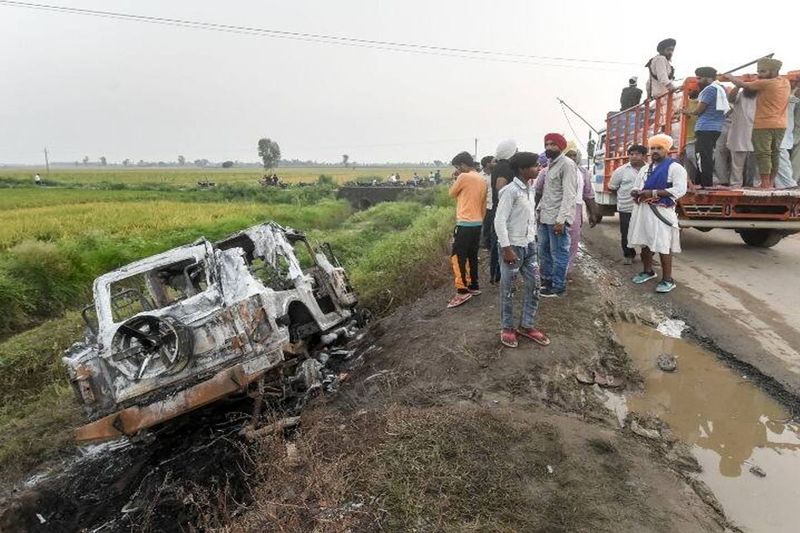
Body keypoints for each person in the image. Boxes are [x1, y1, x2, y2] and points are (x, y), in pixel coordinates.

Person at [494, 152, 550, 348]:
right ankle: (507, 328)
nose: (538, 168)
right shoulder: (510, 191)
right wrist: (507, 248)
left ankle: (527, 325)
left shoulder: (530, 189)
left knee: (535, 284)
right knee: (508, 289)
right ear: (522, 169)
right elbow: (499, 221)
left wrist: (533, 238)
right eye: (534, 166)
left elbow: (529, 218)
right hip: (513, 247)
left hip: (529, 245)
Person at [628, 134, 688, 293]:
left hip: (662, 211)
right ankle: (648, 271)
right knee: (645, 242)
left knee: (663, 245)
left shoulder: (675, 167)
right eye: (652, 148)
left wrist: (653, 193)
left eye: (659, 148)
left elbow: (680, 190)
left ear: (666, 150)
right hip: (643, 211)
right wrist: (635, 192)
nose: (655, 151)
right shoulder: (645, 168)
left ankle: (668, 280)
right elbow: (637, 186)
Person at [723, 58, 791, 189]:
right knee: (771, 154)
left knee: (763, 157)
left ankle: (763, 184)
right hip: (770, 127)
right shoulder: (783, 82)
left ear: (774, 71)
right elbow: (734, 96)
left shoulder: (764, 86)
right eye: (758, 72)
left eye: (763, 72)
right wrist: (741, 85)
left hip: (763, 127)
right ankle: (763, 183)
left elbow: (747, 85)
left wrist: (730, 77)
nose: (759, 75)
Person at [536, 133, 578, 298]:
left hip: (557, 219)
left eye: (553, 144)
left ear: (561, 147)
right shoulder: (549, 166)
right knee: (544, 250)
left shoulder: (567, 165)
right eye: (547, 144)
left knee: (559, 253)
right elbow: (548, 193)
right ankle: (546, 282)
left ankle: (558, 286)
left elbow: (569, 195)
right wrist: (539, 211)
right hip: (545, 216)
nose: (549, 147)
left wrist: (561, 220)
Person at [447, 151, 487, 308]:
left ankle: (462, 290)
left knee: (457, 256)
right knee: (472, 255)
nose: (458, 170)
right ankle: (473, 285)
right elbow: (483, 204)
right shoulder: (482, 179)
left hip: (464, 223)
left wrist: (456, 177)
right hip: (477, 223)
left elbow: (451, 193)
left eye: (458, 167)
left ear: (462, 165)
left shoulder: (463, 177)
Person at [681, 67, 729, 188]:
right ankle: (702, 181)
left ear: (708, 78)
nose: (698, 81)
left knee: (702, 156)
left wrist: (688, 112)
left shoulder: (709, 90)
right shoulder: (721, 88)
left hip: (704, 127)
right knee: (707, 155)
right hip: (716, 127)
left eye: (699, 78)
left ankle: (705, 183)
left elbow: (699, 110)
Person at [608, 144, 647, 264]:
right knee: (626, 232)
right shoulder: (621, 171)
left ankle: (647, 256)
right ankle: (628, 255)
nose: (634, 156)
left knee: (647, 232)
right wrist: (624, 196)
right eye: (631, 154)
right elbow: (612, 187)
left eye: (637, 154)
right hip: (626, 207)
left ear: (644, 155)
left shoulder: (650, 169)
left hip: (646, 207)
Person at [563, 144, 599, 273]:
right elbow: (539, 191)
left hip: (575, 210)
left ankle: (566, 270)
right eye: (569, 155)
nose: (572, 158)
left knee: (573, 241)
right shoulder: (550, 170)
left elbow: (588, 194)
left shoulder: (583, 172)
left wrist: (593, 213)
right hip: (556, 209)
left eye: (574, 155)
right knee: (557, 243)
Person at [717, 87, 758, 187]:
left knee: (757, 164)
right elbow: (730, 99)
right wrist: (738, 85)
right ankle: (736, 184)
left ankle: (756, 185)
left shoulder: (761, 96)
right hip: (739, 134)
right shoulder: (739, 95)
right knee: (737, 164)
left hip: (756, 133)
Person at [490, 139, 518, 284]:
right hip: (503, 211)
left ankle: (495, 275)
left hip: (498, 208)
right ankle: (500, 275)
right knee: (502, 241)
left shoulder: (498, 166)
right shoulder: (506, 168)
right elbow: (500, 186)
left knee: (498, 241)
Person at [775, 85, 799, 188]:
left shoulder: (791, 98)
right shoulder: (786, 98)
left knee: (785, 159)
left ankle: (789, 182)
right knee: (781, 157)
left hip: (789, 134)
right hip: (783, 133)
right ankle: (788, 183)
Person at [479, 155, 496, 251]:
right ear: (487, 164)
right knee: (486, 225)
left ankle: (491, 244)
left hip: (494, 203)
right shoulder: (480, 176)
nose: (495, 163)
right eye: (493, 161)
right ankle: (485, 244)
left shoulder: (495, 174)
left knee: (493, 225)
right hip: (485, 204)